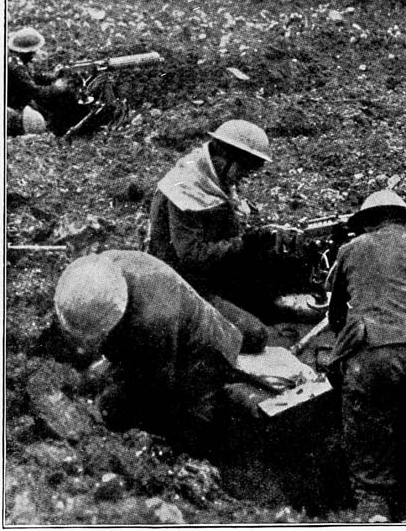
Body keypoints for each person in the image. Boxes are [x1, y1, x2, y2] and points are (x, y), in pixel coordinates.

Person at [51, 249, 249, 453]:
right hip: (163, 323)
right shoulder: (101, 270)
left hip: (201, 350)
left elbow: (157, 384)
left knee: (186, 427)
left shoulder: (153, 321)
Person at [327, 190, 406, 522]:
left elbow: (335, 317)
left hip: (370, 352)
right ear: (405, 218)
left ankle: (374, 512)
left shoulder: (350, 250)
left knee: (368, 442)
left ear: (367, 222)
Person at [150, 119, 281, 351]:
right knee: (255, 335)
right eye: (244, 168)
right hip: (179, 284)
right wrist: (243, 245)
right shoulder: (185, 189)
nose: (244, 177)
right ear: (224, 157)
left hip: (209, 274)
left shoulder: (211, 178)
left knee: (272, 285)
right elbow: (191, 255)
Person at [7, 28, 76, 136]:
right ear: (27, 51)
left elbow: (32, 76)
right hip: (12, 108)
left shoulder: (14, 59)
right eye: (34, 51)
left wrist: (52, 76)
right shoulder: (15, 67)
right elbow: (36, 92)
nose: (35, 53)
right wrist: (57, 88)